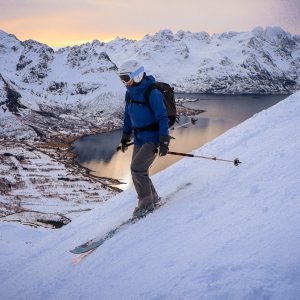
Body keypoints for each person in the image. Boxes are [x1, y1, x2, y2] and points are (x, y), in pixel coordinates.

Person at [118, 59, 170, 218]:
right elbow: (128, 116)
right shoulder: (129, 93)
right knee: (140, 170)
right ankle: (153, 198)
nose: (124, 82)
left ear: (137, 75)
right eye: (122, 78)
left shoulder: (152, 93)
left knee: (137, 169)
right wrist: (125, 137)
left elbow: (162, 117)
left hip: (153, 138)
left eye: (126, 78)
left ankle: (146, 203)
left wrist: (164, 141)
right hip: (139, 138)